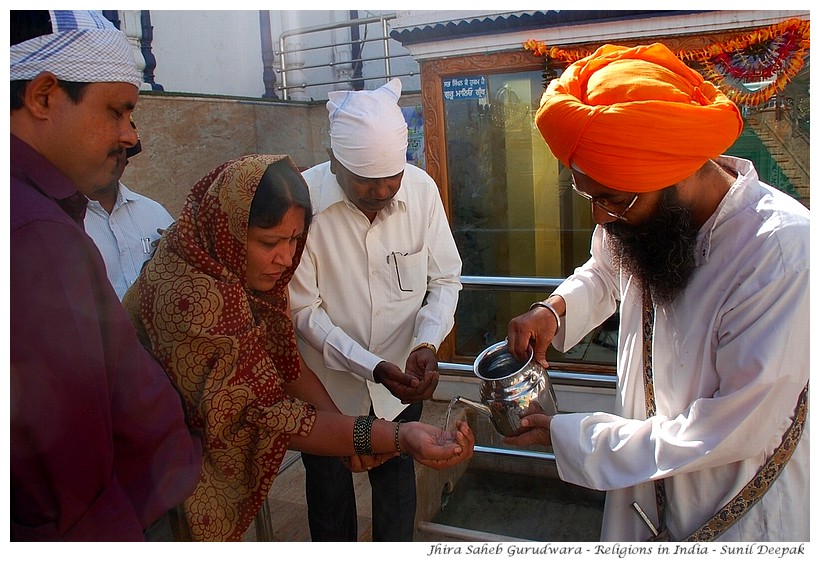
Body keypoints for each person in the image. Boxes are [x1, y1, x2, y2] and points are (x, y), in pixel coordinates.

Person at [504, 43, 809, 542]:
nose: (600, 217)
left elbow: (727, 429)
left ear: (676, 174)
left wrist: (578, 438)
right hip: (641, 497)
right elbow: (606, 271)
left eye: (609, 200)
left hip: (735, 515)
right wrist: (554, 310)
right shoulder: (636, 210)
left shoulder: (779, 253)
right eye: (588, 195)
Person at [122, 154, 474, 541]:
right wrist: (390, 436)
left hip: (354, 403)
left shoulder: (237, 271)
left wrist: (353, 430)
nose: (286, 259)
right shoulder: (195, 299)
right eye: (270, 242)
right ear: (228, 229)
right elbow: (261, 413)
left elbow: (285, 361)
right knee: (328, 498)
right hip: (146, 480)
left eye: (295, 241)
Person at [10, 10, 202, 541]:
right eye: (117, 111)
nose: (131, 137)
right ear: (44, 96)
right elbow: (64, 482)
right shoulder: (35, 235)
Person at [289, 78, 463, 541]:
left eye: (393, 178)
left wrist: (426, 340)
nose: (383, 191)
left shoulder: (421, 190)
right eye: (367, 182)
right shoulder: (303, 200)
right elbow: (305, 312)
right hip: (327, 390)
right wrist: (371, 367)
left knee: (396, 488)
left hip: (400, 383)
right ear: (335, 162)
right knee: (328, 499)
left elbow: (444, 279)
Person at [85, 119, 175, 299]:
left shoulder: (154, 213)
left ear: (126, 160)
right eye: (100, 152)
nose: (108, 161)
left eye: (116, 153)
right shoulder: (56, 220)